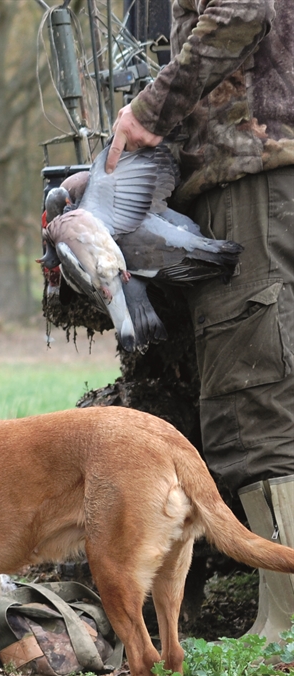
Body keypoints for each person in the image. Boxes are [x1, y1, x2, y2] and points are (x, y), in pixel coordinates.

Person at [106, 0, 293, 641]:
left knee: (256, 391)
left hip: (257, 172)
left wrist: (148, 111)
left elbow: (242, 11)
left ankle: (285, 622)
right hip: (268, 170)